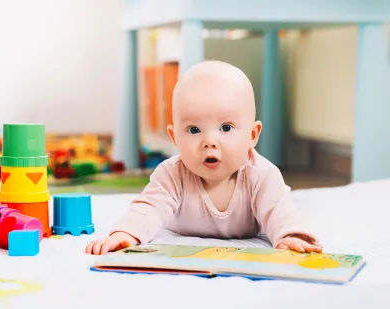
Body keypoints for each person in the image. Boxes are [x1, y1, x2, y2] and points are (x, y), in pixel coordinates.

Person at [86, 60, 322, 255]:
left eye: (226, 128)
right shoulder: (172, 174)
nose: (209, 141)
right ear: (175, 137)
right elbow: (149, 207)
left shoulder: (262, 175)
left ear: (252, 135)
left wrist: (290, 235)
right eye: (194, 130)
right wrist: (126, 233)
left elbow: (278, 210)